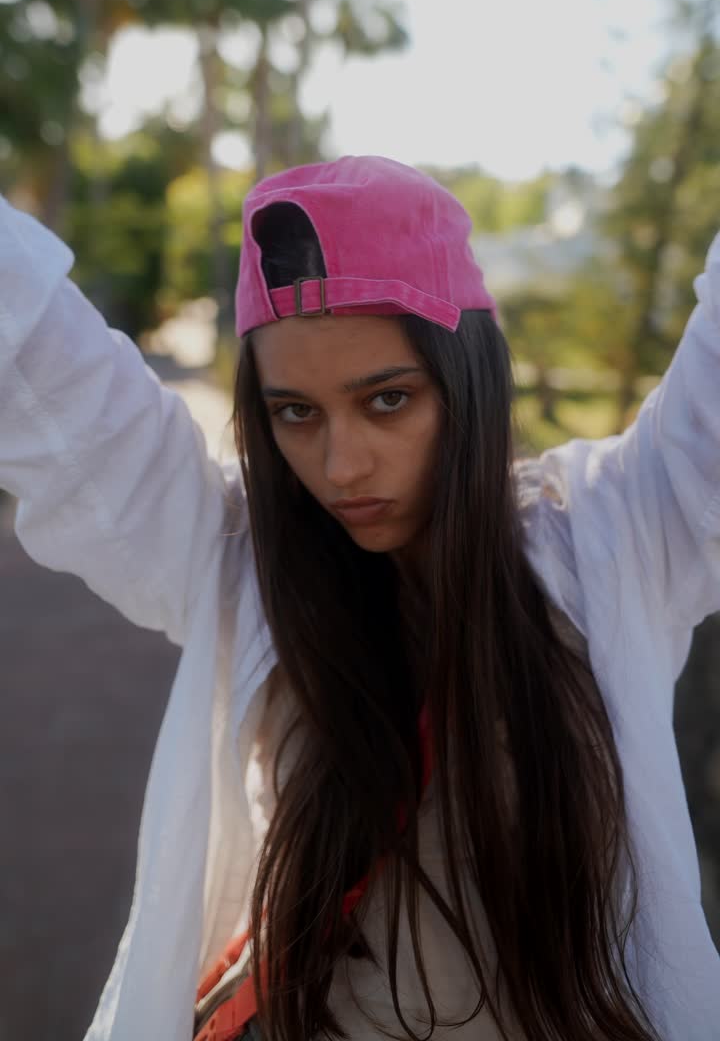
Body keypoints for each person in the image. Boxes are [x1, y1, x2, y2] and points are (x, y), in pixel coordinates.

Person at [1, 152, 719, 1041]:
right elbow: (32, 349)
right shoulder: (238, 558)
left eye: (387, 400)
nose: (341, 468)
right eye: (295, 412)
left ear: (468, 379)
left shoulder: (618, 536)